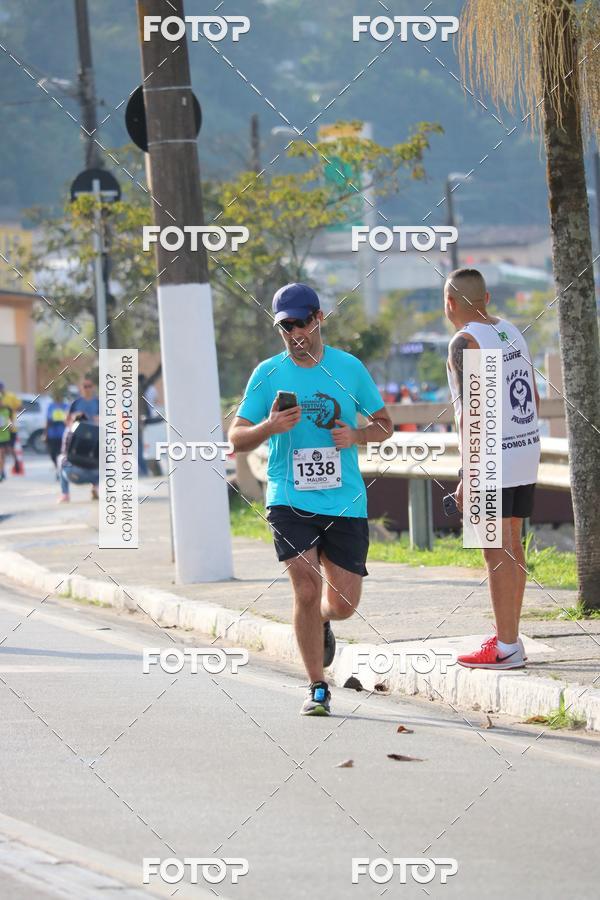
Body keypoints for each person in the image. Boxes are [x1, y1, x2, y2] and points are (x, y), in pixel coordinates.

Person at [229, 283, 392, 716]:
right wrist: (269, 428)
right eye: (287, 327)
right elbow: (236, 439)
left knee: (342, 605)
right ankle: (317, 685)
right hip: (288, 494)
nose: (296, 333)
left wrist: (356, 435)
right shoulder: (267, 373)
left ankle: (323, 620)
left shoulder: (349, 367)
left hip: (344, 500)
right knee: (305, 585)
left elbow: (385, 424)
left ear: (319, 318)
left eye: (302, 323)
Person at [445, 268, 540, 670]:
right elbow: (532, 392)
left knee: (494, 550)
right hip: (524, 448)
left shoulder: (464, 341)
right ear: (485, 299)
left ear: (450, 303)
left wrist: (468, 476)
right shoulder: (510, 331)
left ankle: (505, 646)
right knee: (511, 544)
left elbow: (477, 412)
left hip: (491, 456)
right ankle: (510, 638)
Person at [58, 413, 99, 503]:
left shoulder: (69, 431)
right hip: (96, 474)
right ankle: (96, 488)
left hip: (73, 474)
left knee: (61, 458)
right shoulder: (96, 432)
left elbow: (64, 452)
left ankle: (65, 495)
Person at [45, 387, 68, 474]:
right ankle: (57, 467)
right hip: (52, 434)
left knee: (61, 453)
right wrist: (45, 433)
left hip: (63, 434)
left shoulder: (66, 406)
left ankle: (60, 470)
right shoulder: (51, 406)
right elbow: (47, 420)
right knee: (52, 454)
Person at [0, 383, 13, 481]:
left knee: (3, 455)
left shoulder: (6, 410)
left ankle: (2, 470)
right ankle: (1, 472)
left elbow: (9, 420)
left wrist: (10, 424)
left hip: (4, 436)